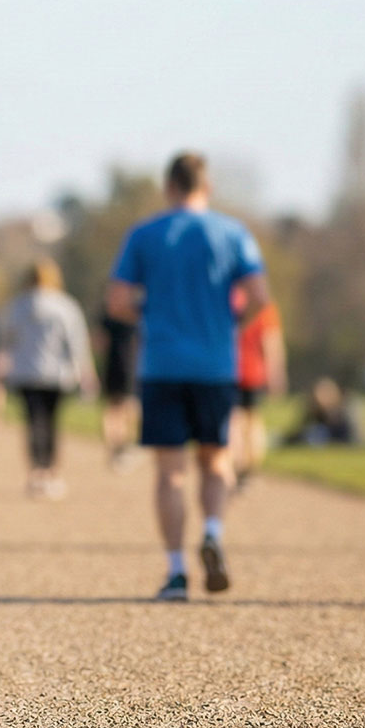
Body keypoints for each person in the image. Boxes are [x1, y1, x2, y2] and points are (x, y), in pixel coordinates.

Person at [108, 153, 271, 602]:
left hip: (162, 363)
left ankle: (177, 572)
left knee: (170, 473)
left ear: (169, 187)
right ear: (207, 187)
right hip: (216, 364)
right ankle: (213, 531)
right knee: (217, 461)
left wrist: (149, 314)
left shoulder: (145, 234)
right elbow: (260, 296)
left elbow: (117, 300)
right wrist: (231, 324)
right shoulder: (233, 233)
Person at [3, 259, 97, 499]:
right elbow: (76, 342)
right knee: (52, 423)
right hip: (58, 374)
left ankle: (36, 473)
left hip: (26, 373)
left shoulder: (19, 305)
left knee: (33, 422)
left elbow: (8, 337)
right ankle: (52, 472)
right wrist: (86, 372)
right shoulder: (65, 305)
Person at [230, 286, 286, 489]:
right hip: (254, 373)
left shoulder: (230, 299)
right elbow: (270, 342)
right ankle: (249, 466)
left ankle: (237, 463)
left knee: (234, 420)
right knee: (253, 420)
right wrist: (276, 374)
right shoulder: (264, 305)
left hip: (229, 370)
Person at [96, 305, 139, 471]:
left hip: (116, 368)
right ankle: (120, 447)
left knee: (117, 409)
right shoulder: (136, 315)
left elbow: (99, 344)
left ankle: (117, 448)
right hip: (127, 369)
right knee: (124, 408)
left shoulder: (109, 316)